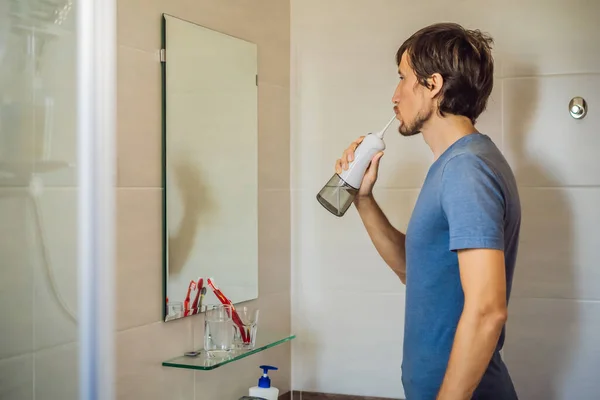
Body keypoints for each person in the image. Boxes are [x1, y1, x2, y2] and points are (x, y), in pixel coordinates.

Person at [335, 23, 521, 399]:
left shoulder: (467, 170)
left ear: (433, 85)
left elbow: (487, 310)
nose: (395, 95)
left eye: (403, 78)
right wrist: (362, 199)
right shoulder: (453, 166)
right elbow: (413, 269)